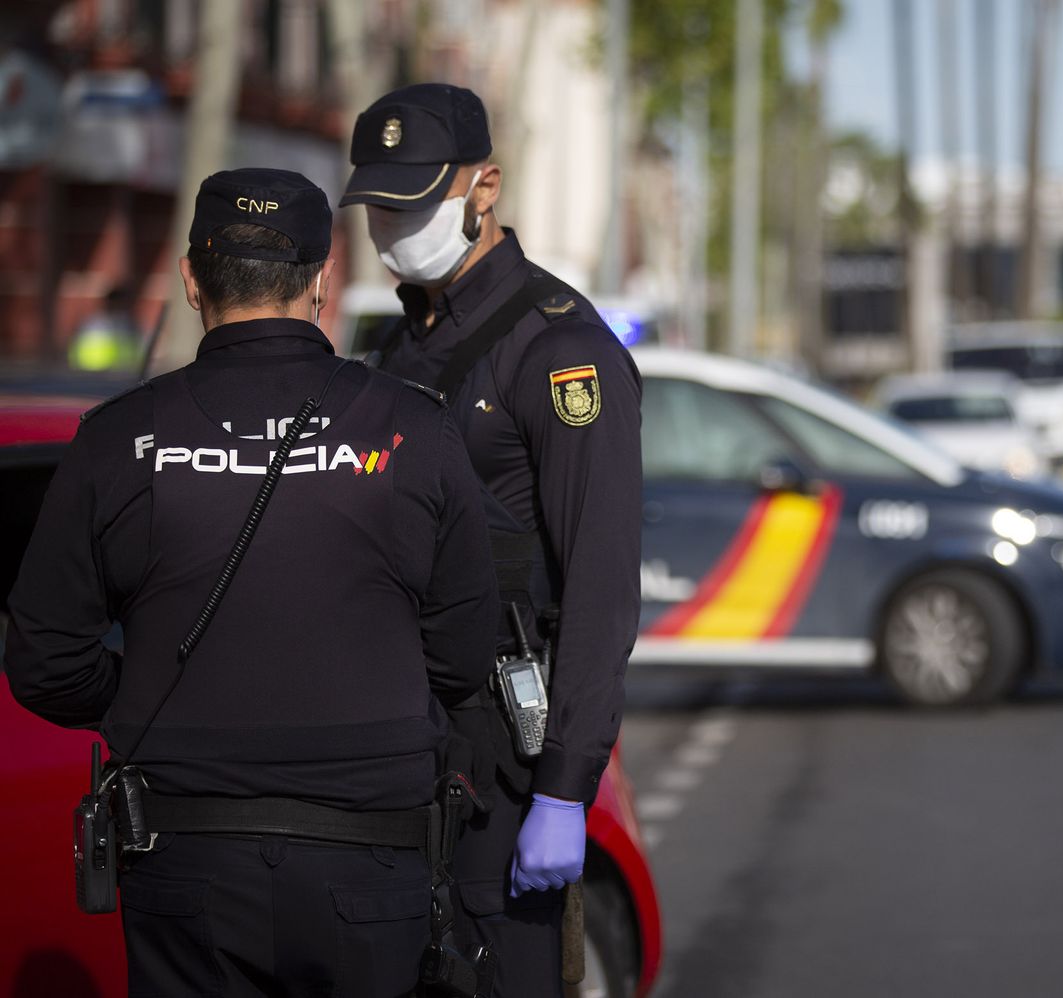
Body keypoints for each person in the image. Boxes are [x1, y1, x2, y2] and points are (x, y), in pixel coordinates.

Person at [4, 168, 499, 996]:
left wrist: (150, 694)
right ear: (322, 282)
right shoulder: (412, 427)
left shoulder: (119, 439)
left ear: (191, 278)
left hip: (183, 863)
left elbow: (44, 660)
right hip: (371, 862)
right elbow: (461, 655)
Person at [341, 83, 642, 995]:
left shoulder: (559, 353)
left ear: (484, 189)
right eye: (380, 206)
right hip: (403, 747)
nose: (394, 224)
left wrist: (564, 788)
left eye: (415, 202)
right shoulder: (402, 347)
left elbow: (599, 580)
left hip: (504, 760)